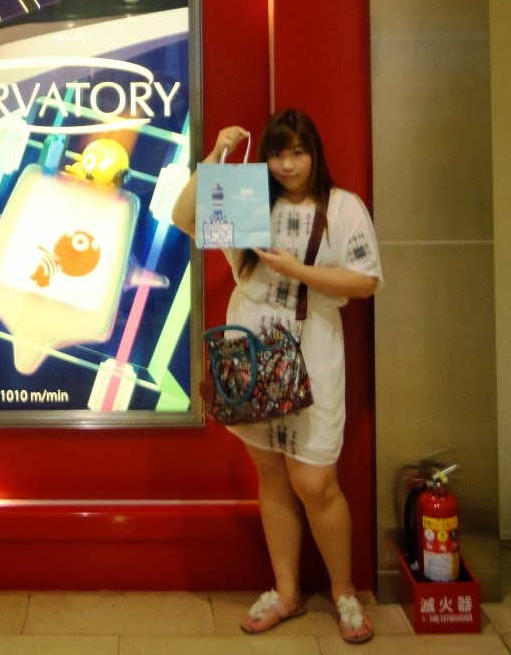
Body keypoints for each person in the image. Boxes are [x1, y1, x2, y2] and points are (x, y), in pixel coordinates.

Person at [171, 109, 382, 645]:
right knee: (270, 474)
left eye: (297, 153)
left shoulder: (342, 207)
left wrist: (297, 270)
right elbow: (183, 217)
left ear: (314, 154)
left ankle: (344, 592)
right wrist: (217, 154)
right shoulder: (247, 202)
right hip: (250, 353)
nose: (287, 165)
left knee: (315, 481)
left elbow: (365, 281)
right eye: (277, 154)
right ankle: (286, 592)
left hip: (313, 351)